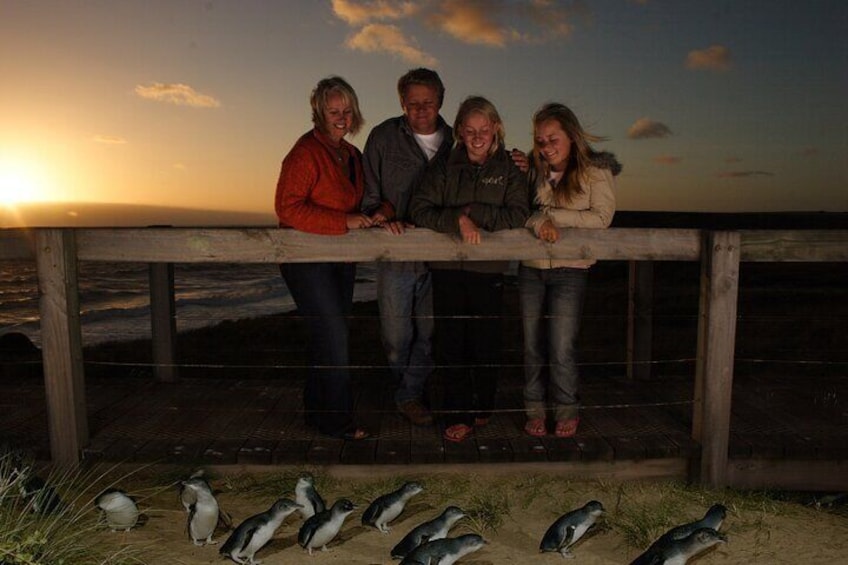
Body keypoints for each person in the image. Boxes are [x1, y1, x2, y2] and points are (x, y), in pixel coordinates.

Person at [410, 95, 529, 443]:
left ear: (495, 128)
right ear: (460, 130)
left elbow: (518, 214)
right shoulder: (444, 166)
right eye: (470, 129)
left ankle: (483, 406)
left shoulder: (509, 168)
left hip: (489, 270)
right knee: (451, 343)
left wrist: (474, 212)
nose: (478, 137)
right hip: (447, 268)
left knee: (486, 343)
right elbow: (420, 209)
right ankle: (457, 412)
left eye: (484, 129)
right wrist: (455, 220)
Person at [274, 76, 373, 440]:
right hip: (306, 260)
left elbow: (362, 200)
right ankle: (337, 422)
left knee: (326, 337)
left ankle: (316, 413)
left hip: (340, 258)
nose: (342, 118)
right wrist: (343, 222)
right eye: (334, 111)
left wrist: (380, 214)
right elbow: (287, 208)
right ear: (319, 112)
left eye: (347, 111)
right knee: (333, 336)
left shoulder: (351, 155)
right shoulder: (304, 153)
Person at [520, 102, 620, 438]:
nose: (546, 146)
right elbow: (523, 212)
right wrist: (538, 222)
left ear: (572, 136)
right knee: (532, 343)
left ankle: (566, 409)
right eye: (540, 140)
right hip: (531, 268)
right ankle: (534, 410)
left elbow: (602, 218)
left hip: (571, 270)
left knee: (561, 344)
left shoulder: (596, 170)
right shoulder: (532, 170)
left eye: (552, 138)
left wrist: (554, 217)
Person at [360, 68, 453, 427]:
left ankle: (407, 397)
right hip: (396, 254)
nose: (420, 111)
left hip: (441, 254)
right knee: (396, 338)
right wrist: (382, 218)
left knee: (430, 334)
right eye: (412, 104)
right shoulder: (383, 137)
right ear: (402, 102)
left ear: (440, 101)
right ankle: (409, 392)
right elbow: (370, 195)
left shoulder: (455, 141)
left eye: (428, 103)